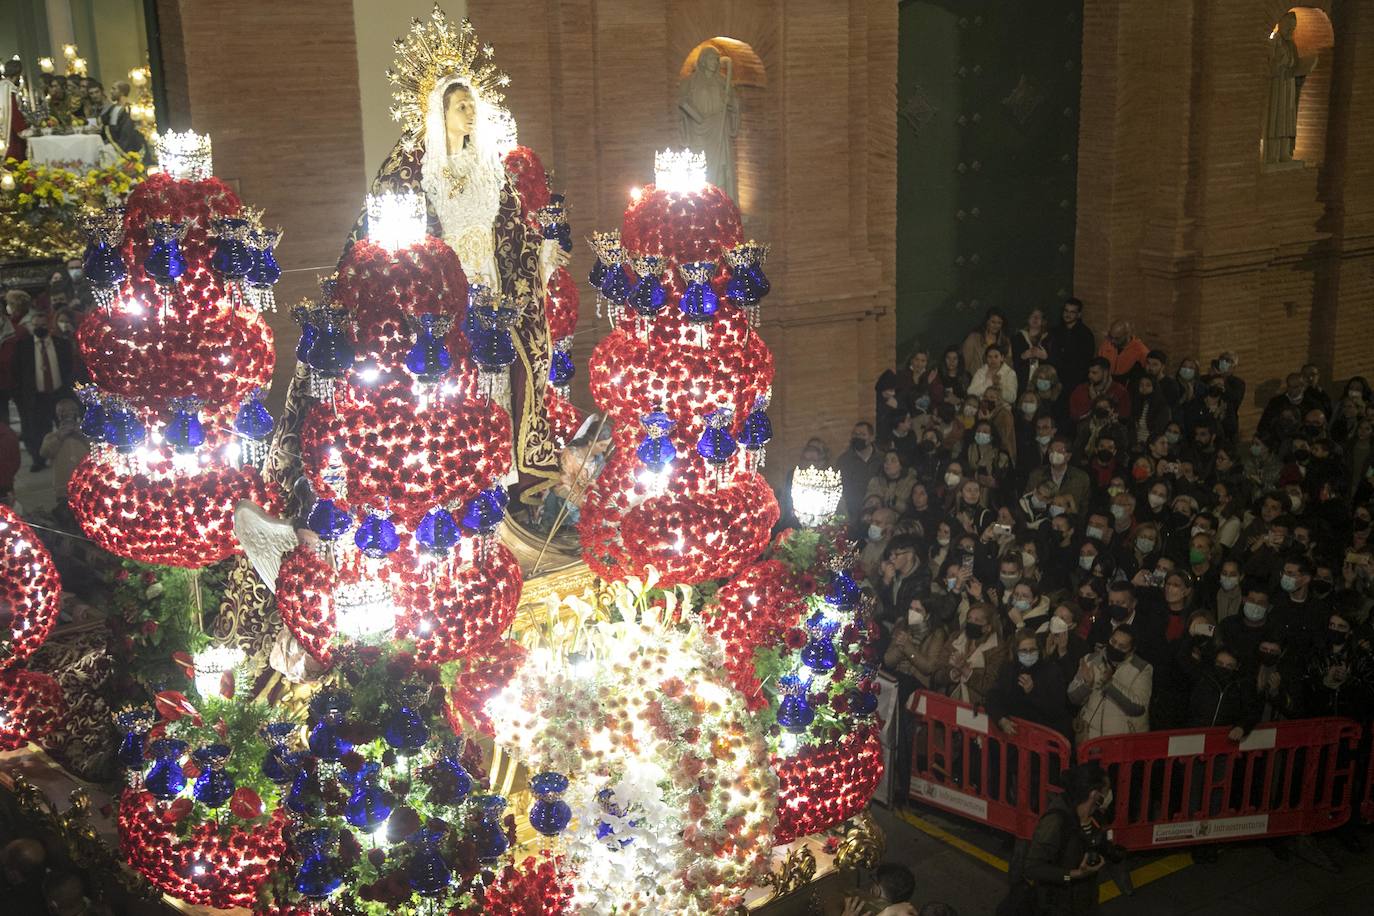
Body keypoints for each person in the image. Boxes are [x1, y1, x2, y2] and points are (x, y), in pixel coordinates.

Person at [1017, 763, 1111, 916]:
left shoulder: (1095, 817)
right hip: (1057, 906)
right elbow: (1032, 869)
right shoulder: (1056, 821)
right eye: (1107, 791)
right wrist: (1075, 874)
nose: (1109, 795)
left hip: (1085, 903)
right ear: (1094, 795)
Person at [1068, 624, 1153, 741]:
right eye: (1113, 642)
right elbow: (1073, 697)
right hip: (1089, 739)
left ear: (1131, 650)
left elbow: (1138, 708)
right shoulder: (1090, 659)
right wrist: (1087, 685)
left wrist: (1110, 684)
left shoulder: (1142, 669)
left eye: (1122, 647)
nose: (1115, 647)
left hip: (1121, 742)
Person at [16, 310, 74, 472]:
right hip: (37, 396)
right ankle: (38, 459)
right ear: (31, 327)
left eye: (43, 325)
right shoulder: (23, 347)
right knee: (37, 429)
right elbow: (18, 373)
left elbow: (68, 368)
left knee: (66, 426)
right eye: (36, 326)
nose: (39, 328)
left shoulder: (60, 344)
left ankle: (69, 456)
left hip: (58, 392)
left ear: (48, 326)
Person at [988, 630, 1072, 740]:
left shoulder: (1051, 671)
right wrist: (1001, 718)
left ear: (1039, 650)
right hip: (1014, 739)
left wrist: (1032, 692)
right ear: (1016, 651)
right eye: (1023, 651)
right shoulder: (1009, 669)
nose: (1028, 654)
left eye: (1032, 650)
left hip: (1042, 739)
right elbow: (994, 695)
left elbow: (1056, 709)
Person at [935, 602, 1007, 706]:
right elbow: (936, 673)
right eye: (969, 618)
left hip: (977, 709)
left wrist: (965, 670)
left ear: (988, 627)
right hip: (948, 700)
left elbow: (991, 687)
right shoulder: (956, 637)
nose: (971, 622)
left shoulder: (998, 648)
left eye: (977, 620)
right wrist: (953, 674)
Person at [40, 397, 89, 516]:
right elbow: (44, 452)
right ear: (58, 415)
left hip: (86, 485)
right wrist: (59, 437)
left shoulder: (86, 434)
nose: (67, 414)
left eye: (71, 411)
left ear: (76, 412)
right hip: (63, 488)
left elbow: (96, 449)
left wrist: (82, 436)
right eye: (63, 412)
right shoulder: (52, 436)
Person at [1046, 297, 1097, 393]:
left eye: (1072, 312)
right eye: (1066, 311)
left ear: (1079, 315)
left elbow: (1083, 362)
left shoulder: (1085, 334)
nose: (1068, 314)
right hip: (1056, 380)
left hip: (1075, 383)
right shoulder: (1056, 331)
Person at [839, 421, 881, 534]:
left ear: (871, 438)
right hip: (853, 516)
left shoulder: (881, 459)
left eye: (862, 434)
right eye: (855, 434)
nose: (858, 437)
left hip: (876, 516)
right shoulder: (844, 461)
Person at [1068, 358, 1131, 426]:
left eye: (1094, 373)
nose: (1090, 376)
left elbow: (1123, 418)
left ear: (1106, 373)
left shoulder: (1120, 392)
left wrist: (1096, 400)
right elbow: (1074, 417)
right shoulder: (1080, 390)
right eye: (1089, 372)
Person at [960, 307, 1010, 374]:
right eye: (993, 322)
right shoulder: (973, 338)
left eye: (999, 323)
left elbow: (1009, 365)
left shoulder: (1005, 341)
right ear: (987, 321)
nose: (996, 325)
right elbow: (964, 365)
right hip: (976, 381)